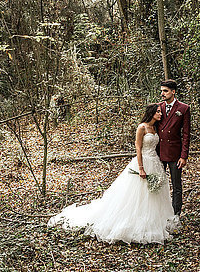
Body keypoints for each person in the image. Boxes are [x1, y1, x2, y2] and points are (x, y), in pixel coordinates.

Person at [48, 104, 177, 244]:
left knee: (155, 193)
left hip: (155, 162)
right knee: (139, 194)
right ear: (151, 113)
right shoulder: (142, 127)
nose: (160, 114)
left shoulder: (156, 128)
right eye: (158, 112)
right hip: (144, 161)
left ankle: (156, 221)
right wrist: (140, 167)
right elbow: (138, 148)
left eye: (160, 112)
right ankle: (136, 223)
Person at [157, 79, 191, 218]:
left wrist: (183, 156)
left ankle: (176, 214)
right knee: (157, 183)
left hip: (175, 153)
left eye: (165, 91)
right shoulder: (158, 107)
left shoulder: (183, 108)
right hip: (158, 152)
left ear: (173, 92)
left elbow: (186, 134)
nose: (162, 94)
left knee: (176, 185)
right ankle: (158, 213)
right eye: (161, 91)